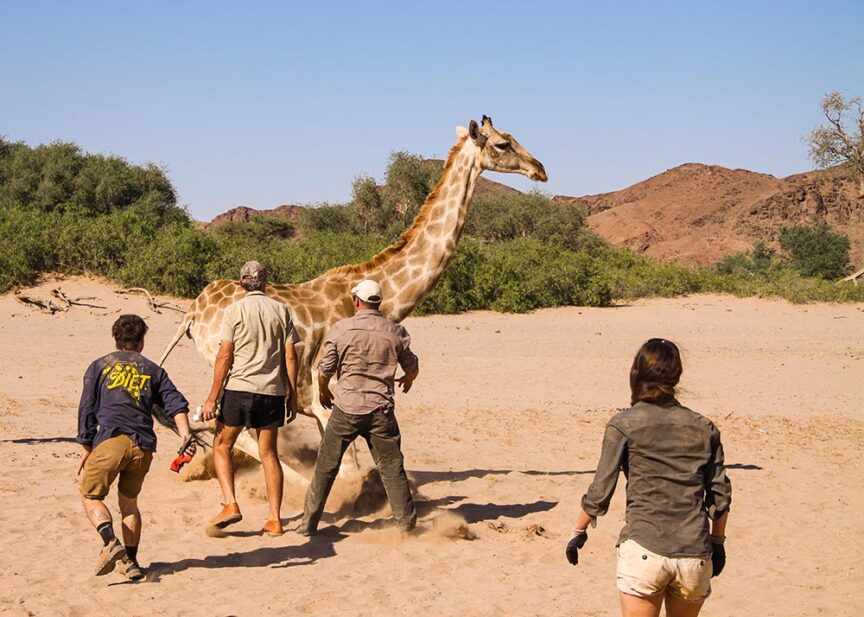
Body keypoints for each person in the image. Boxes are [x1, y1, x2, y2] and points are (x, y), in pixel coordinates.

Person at [566, 338, 732, 617]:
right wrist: (718, 543)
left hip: (644, 551)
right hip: (694, 556)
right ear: (677, 375)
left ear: (636, 372)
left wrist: (578, 532)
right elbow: (720, 496)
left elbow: (600, 491)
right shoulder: (704, 427)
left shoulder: (624, 424)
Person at [77, 314, 195, 581]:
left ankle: (110, 542)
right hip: (143, 447)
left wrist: (86, 444)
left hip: (110, 440)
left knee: (91, 496)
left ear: (116, 339)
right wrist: (186, 437)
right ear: (142, 342)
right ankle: (131, 563)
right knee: (129, 505)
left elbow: (86, 410)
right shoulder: (154, 370)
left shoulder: (99, 366)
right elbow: (176, 404)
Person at [298, 279, 419, 536]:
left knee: (326, 466)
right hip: (381, 411)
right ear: (379, 302)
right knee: (392, 466)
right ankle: (406, 524)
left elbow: (324, 369)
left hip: (346, 409)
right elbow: (412, 365)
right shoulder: (395, 331)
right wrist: (408, 379)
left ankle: (308, 524)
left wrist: (323, 390)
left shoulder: (342, 329)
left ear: (356, 301)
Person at [200, 260, 300, 536]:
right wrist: (292, 395)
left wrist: (212, 398)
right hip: (272, 392)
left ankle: (231, 504)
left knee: (222, 445)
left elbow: (224, 356)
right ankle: (275, 519)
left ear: (242, 282)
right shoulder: (281, 310)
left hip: (240, 389)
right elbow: (291, 355)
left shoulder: (233, 310)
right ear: (265, 282)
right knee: (268, 454)